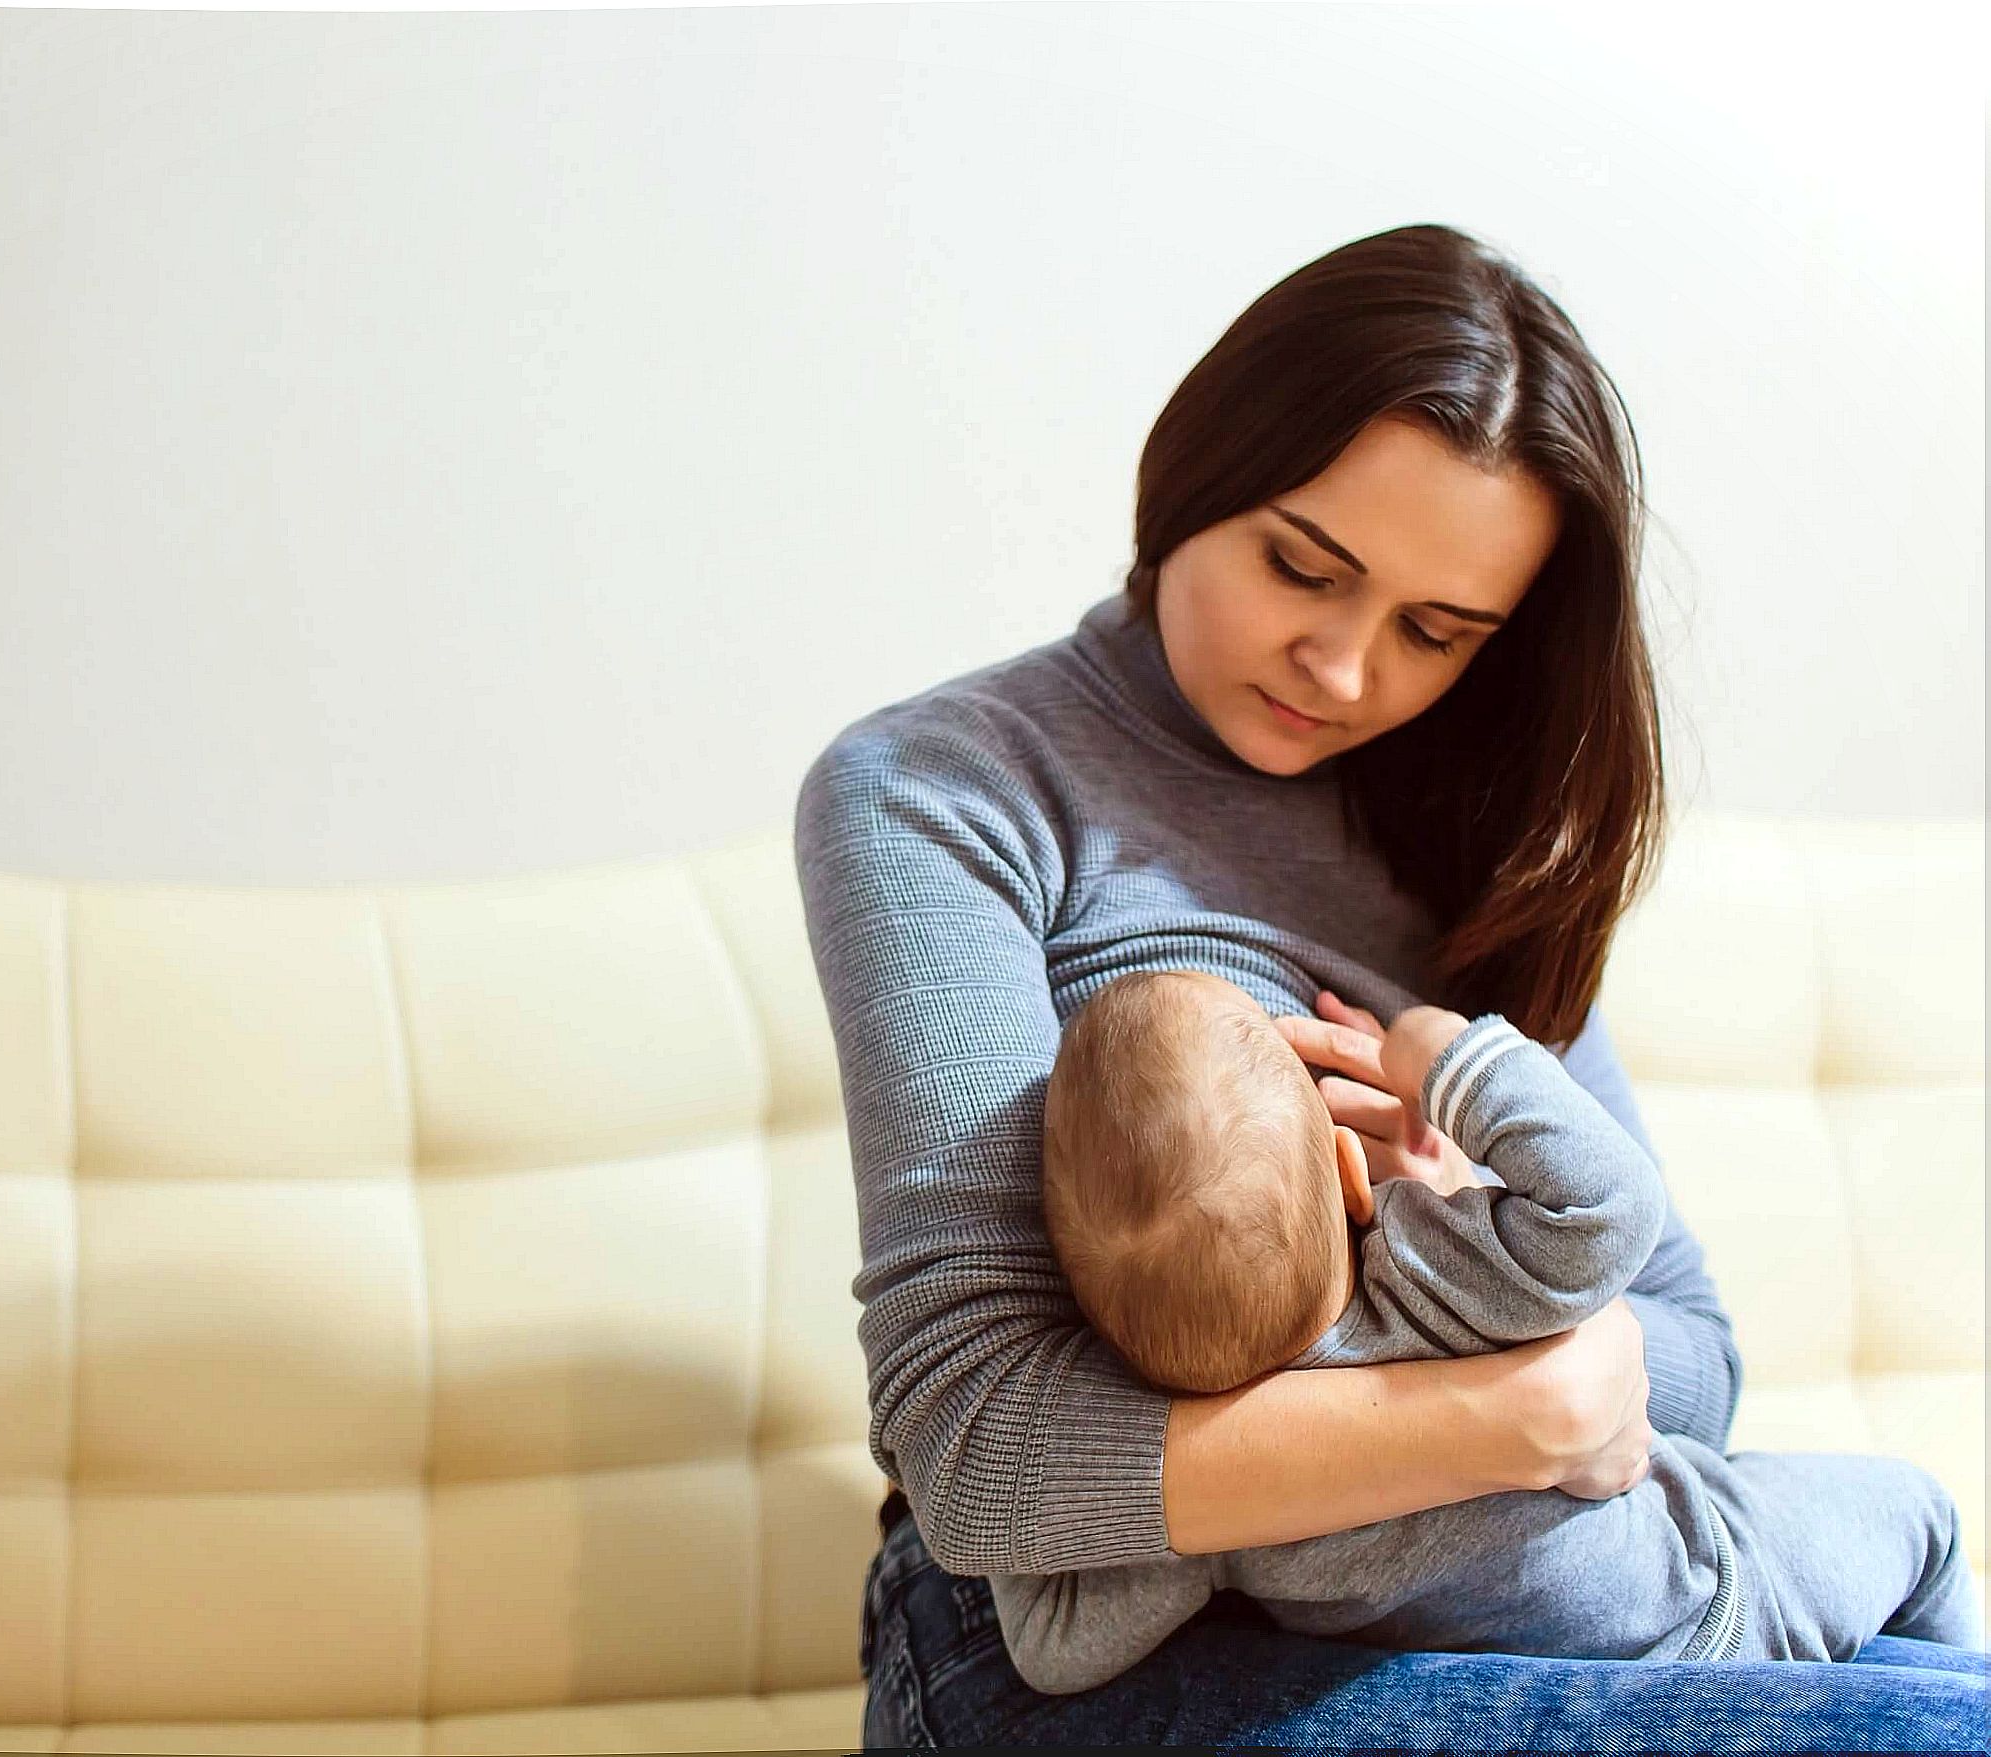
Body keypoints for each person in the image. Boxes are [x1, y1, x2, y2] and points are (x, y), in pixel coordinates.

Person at [792, 223, 1991, 1748]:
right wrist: (1508, 1413)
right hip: (1080, 1639)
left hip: (1500, 1569)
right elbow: (983, 1457)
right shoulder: (944, 791)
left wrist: (1529, 1323)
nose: (1344, 672)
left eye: (1435, 632)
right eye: (1301, 565)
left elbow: (1691, 1353)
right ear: (1191, 477)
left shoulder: (1447, 841)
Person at [992, 961, 1977, 1685]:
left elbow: (1048, 1646)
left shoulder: (1216, 1505)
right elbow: (1610, 1206)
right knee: (1921, 1515)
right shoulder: (1433, 1273)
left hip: (1536, 1686)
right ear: (1347, 1170)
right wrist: (1445, 1057)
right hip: (1714, 1600)